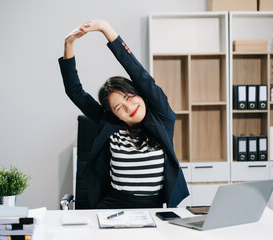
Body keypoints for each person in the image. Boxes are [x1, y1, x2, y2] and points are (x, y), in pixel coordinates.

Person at [58, 19, 189, 209]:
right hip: (113, 208)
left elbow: (138, 74)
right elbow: (75, 92)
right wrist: (68, 44)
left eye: (129, 97)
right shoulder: (110, 124)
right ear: (115, 115)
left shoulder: (162, 118)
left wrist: (106, 28)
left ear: (139, 93)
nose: (129, 108)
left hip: (154, 210)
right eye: (119, 107)